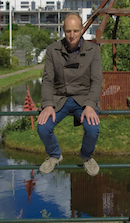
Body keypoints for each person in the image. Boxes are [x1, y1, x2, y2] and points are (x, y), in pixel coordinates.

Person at [37, 13, 102, 176]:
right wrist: (47, 104)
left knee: (93, 129)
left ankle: (87, 156)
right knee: (43, 127)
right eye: (68, 31)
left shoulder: (93, 50)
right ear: (63, 31)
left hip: (84, 99)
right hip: (60, 98)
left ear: (82, 30)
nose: (72, 35)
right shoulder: (53, 50)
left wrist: (90, 105)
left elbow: (97, 80)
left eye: (75, 31)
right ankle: (54, 155)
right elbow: (47, 80)